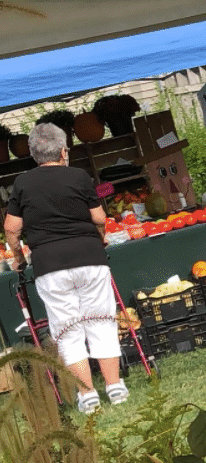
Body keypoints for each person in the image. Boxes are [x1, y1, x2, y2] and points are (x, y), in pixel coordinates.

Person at [3, 122, 127, 414]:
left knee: (68, 329)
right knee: (101, 320)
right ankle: (115, 388)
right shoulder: (78, 176)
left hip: (50, 264)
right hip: (89, 258)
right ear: (62, 150)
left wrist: (19, 259)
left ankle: (87, 396)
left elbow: (11, 229)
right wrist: (99, 239)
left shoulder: (22, 183)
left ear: (34, 155)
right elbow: (99, 218)